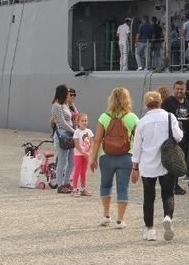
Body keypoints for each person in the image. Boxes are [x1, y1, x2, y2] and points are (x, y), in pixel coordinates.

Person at [131, 91, 182, 242]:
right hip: (167, 162)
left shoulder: (142, 122)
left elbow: (137, 147)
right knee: (168, 194)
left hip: (147, 164)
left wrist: (135, 167)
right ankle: (167, 217)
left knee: (148, 197)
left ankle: (150, 230)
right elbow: (178, 136)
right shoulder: (169, 117)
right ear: (160, 102)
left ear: (146, 104)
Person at [89, 88, 140, 229]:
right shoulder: (132, 117)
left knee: (105, 185)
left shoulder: (104, 117)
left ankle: (106, 215)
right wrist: (138, 163)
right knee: (123, 187)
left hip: (106, 157)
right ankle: (120, 220)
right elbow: (139, 141)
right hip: (127, 156)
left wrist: (92, 158)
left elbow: (97, 140)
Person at [162, 81, 189, 195]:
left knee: (179, 162)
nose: (180, 91)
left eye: (182, 89)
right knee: (172, 162)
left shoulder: (187, 102)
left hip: (183, 138)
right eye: (177, 89)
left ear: (185, 90)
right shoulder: (168, 102)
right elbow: (163, 117)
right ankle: (172, 185)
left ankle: (175, 184)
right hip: (172, 138)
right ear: (173, 89)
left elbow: (188, 114)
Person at [51, 85, 75, 193]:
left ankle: (66, 182)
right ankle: (60, 185)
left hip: (69, 134)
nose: (69, 95)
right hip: (63, 135)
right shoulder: (56, 106)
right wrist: (75, 132)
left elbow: (75, 113)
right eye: (67, 93)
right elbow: (62, 123)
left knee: (71, 161)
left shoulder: (65, 105)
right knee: (62, 161)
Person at [71, 113, 94, 197]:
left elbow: (92, 143)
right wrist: (83, 153)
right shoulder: (77, 132)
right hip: (78, 155)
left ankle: (83, 189)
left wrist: (89, 152)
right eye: (82, 121)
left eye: (86, 120)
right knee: (77, 171)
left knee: (83, 172)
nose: (84, 122)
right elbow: (77, 145)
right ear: (78, 122)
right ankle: (74, 189)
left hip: (86, 155)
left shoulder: (89, 131)